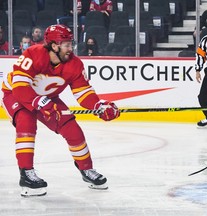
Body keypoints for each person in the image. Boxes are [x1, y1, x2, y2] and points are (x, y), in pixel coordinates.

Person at [1, 24, 120, 197]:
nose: (70, 49)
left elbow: (83, 93)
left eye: (70, 44)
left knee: (72, 128)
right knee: (26, 121)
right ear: (54, 45)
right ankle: (26, 174)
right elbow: (20, 87)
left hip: (47, 98)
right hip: (16, 95)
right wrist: (40, 102)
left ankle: (86, 169)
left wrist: (98, 106)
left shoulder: (75, 64)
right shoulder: (33, 54)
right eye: (66, 44)